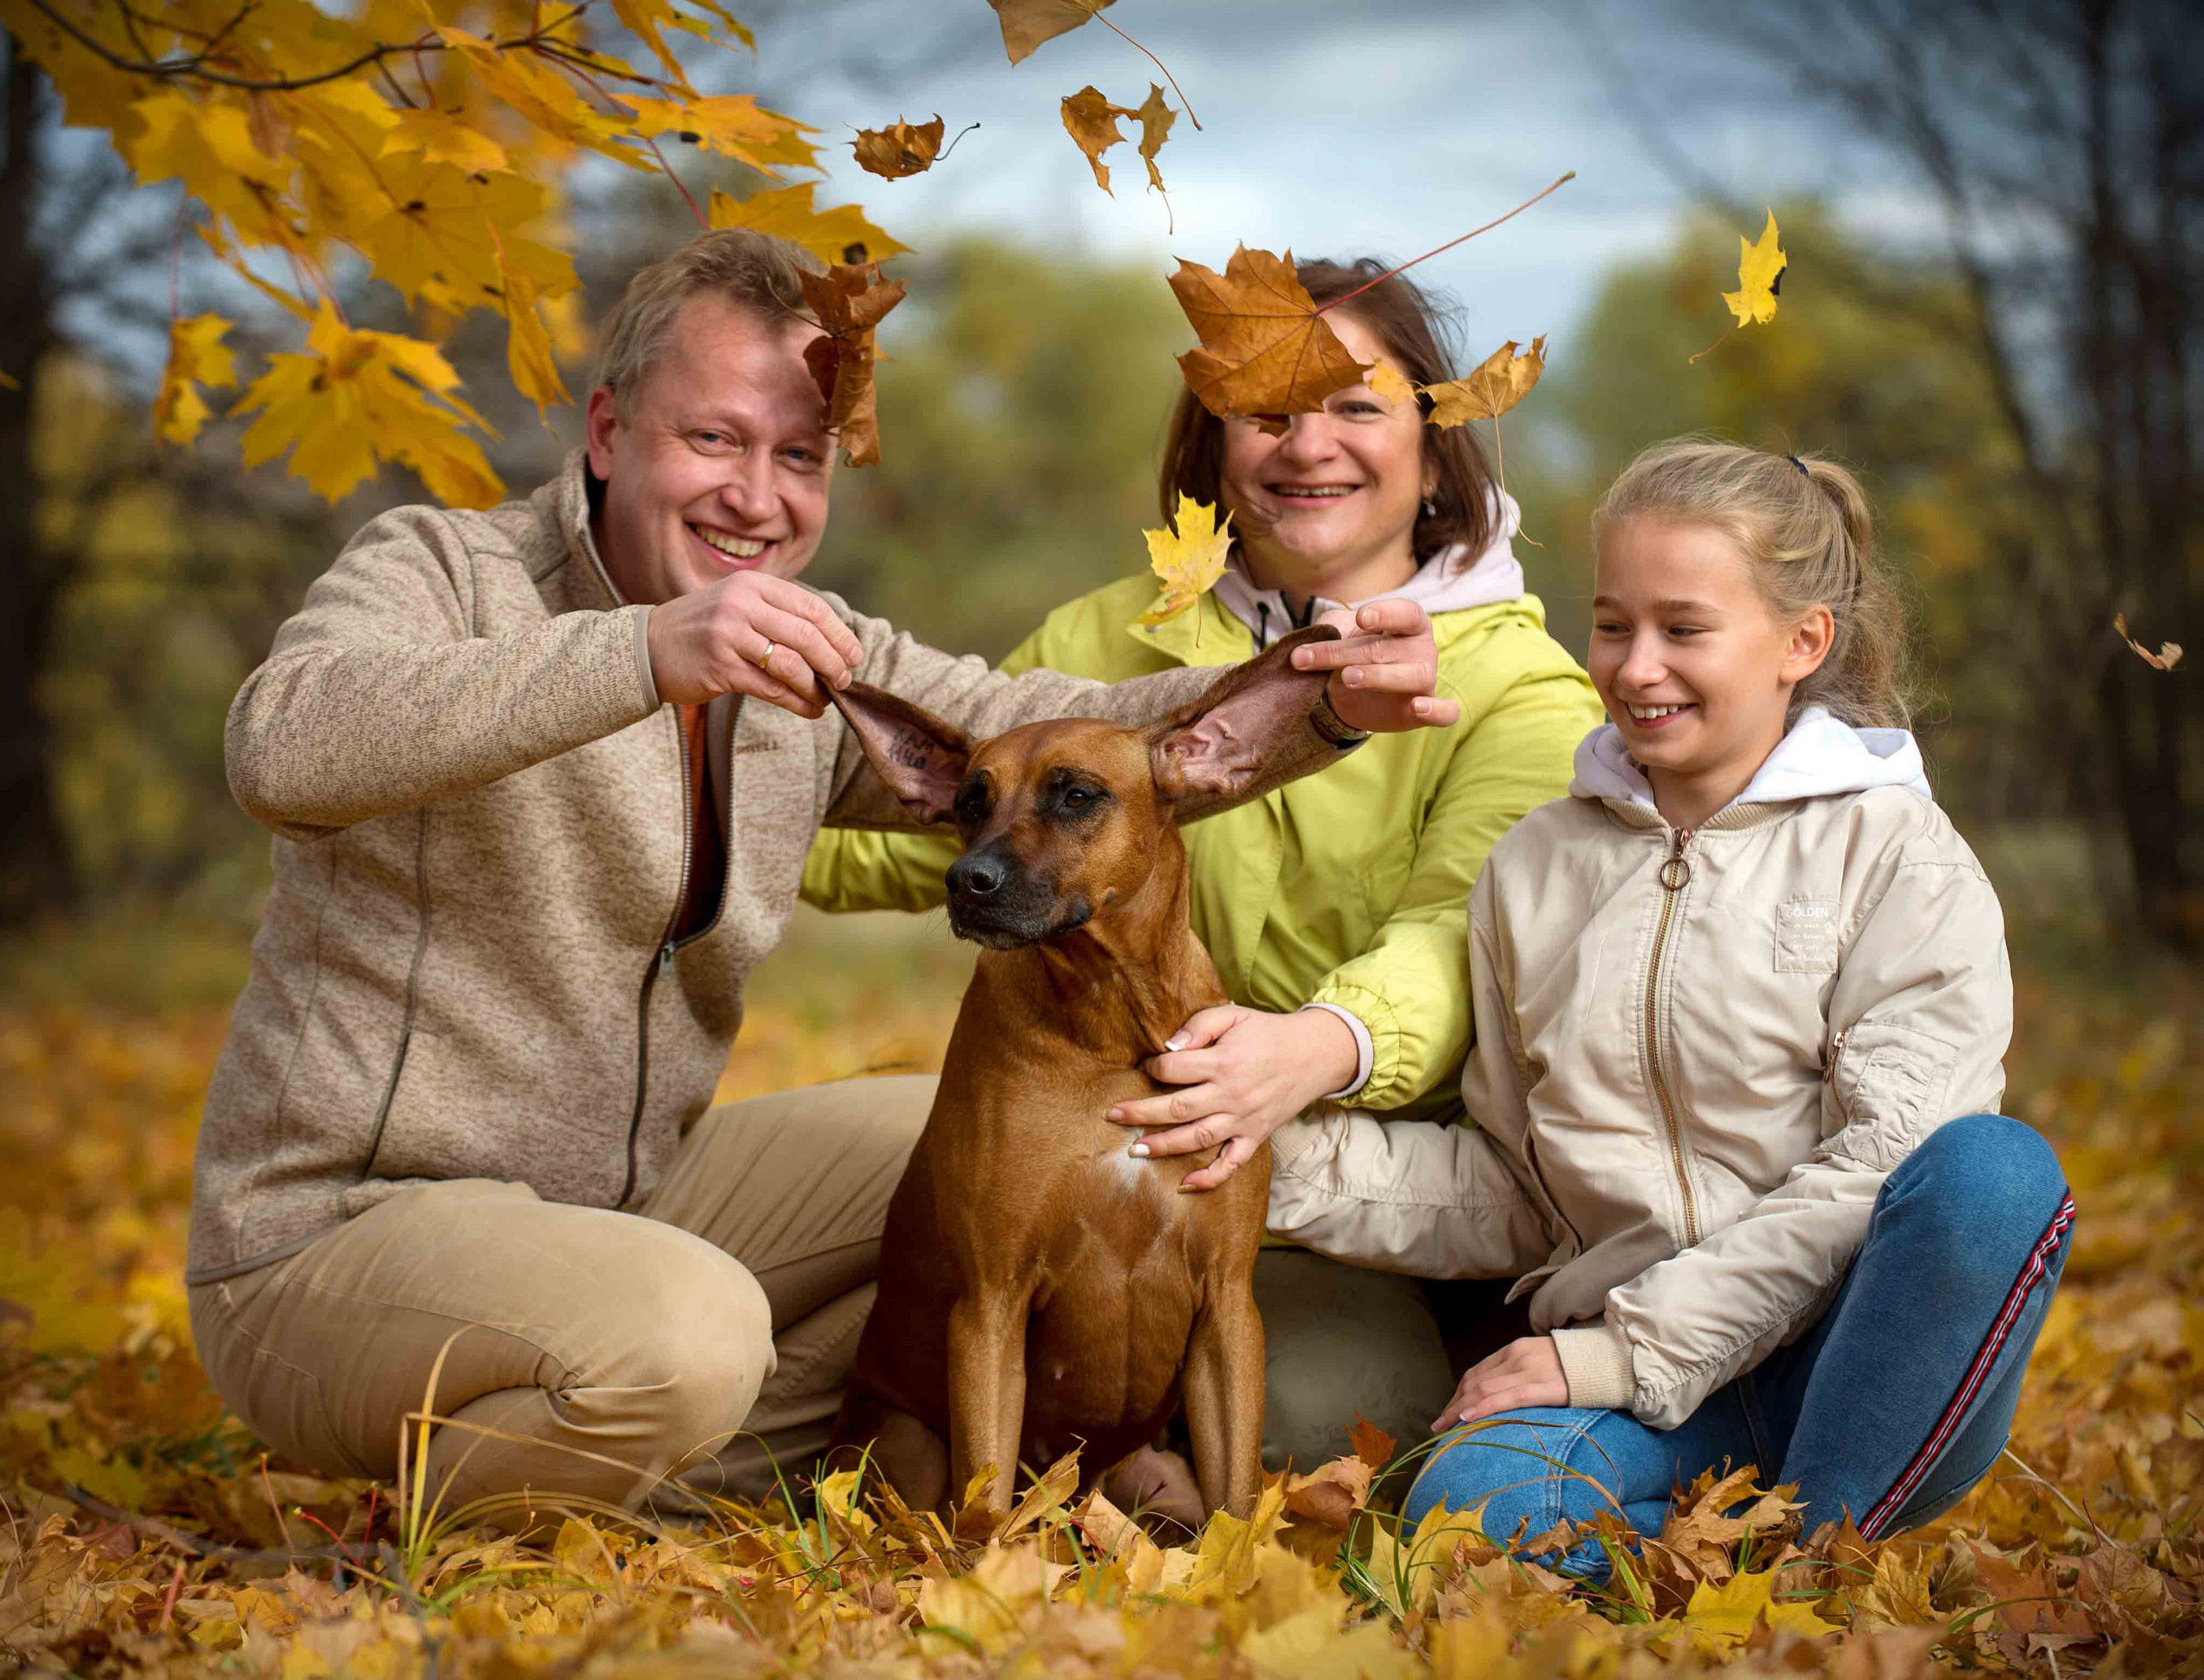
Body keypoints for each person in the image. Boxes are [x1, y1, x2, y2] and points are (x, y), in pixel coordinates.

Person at [182, 229, 1461, 1517]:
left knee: (990, 1150)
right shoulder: (445, 572)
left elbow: (1059, 725)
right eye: (715, 440)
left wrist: (1319, 695)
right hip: (347, 1234)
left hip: (625, 1204)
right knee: (692, 1338)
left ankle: (707, 1456)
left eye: (799, 456)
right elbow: (280, 741)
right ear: (611, 429)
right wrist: (643, 653)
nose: (758, 495)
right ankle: (436, 1515)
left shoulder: (804, 665)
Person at [801, 259, 1604, 1473]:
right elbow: (938, 834)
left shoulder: (1521, 687)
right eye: (1267, 411)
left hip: (1371, 1196)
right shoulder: (1103, 645)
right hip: (1101, 1147)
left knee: (1317, 1421)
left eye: (1356, 405)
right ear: (1212, 445)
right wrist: (694, 810)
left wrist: (1320, 1045)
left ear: (1435, 453)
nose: (1307, 445)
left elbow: (1461, 933)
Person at [1267, 438, 2070, 1559]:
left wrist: (1613, 1353)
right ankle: (1742, 1565)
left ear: (1803, 643)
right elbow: (1517, 1186)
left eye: (1684, 629)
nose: (1637, 667)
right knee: (1468, 1505)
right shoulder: (1534, 871)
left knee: (1993, 1173)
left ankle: (1821, 1562)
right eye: (1612, 624)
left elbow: (1884, 1161)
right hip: (1654, 1409)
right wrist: (1261, 1157)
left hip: (1855, 1362)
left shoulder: (1895, 855)